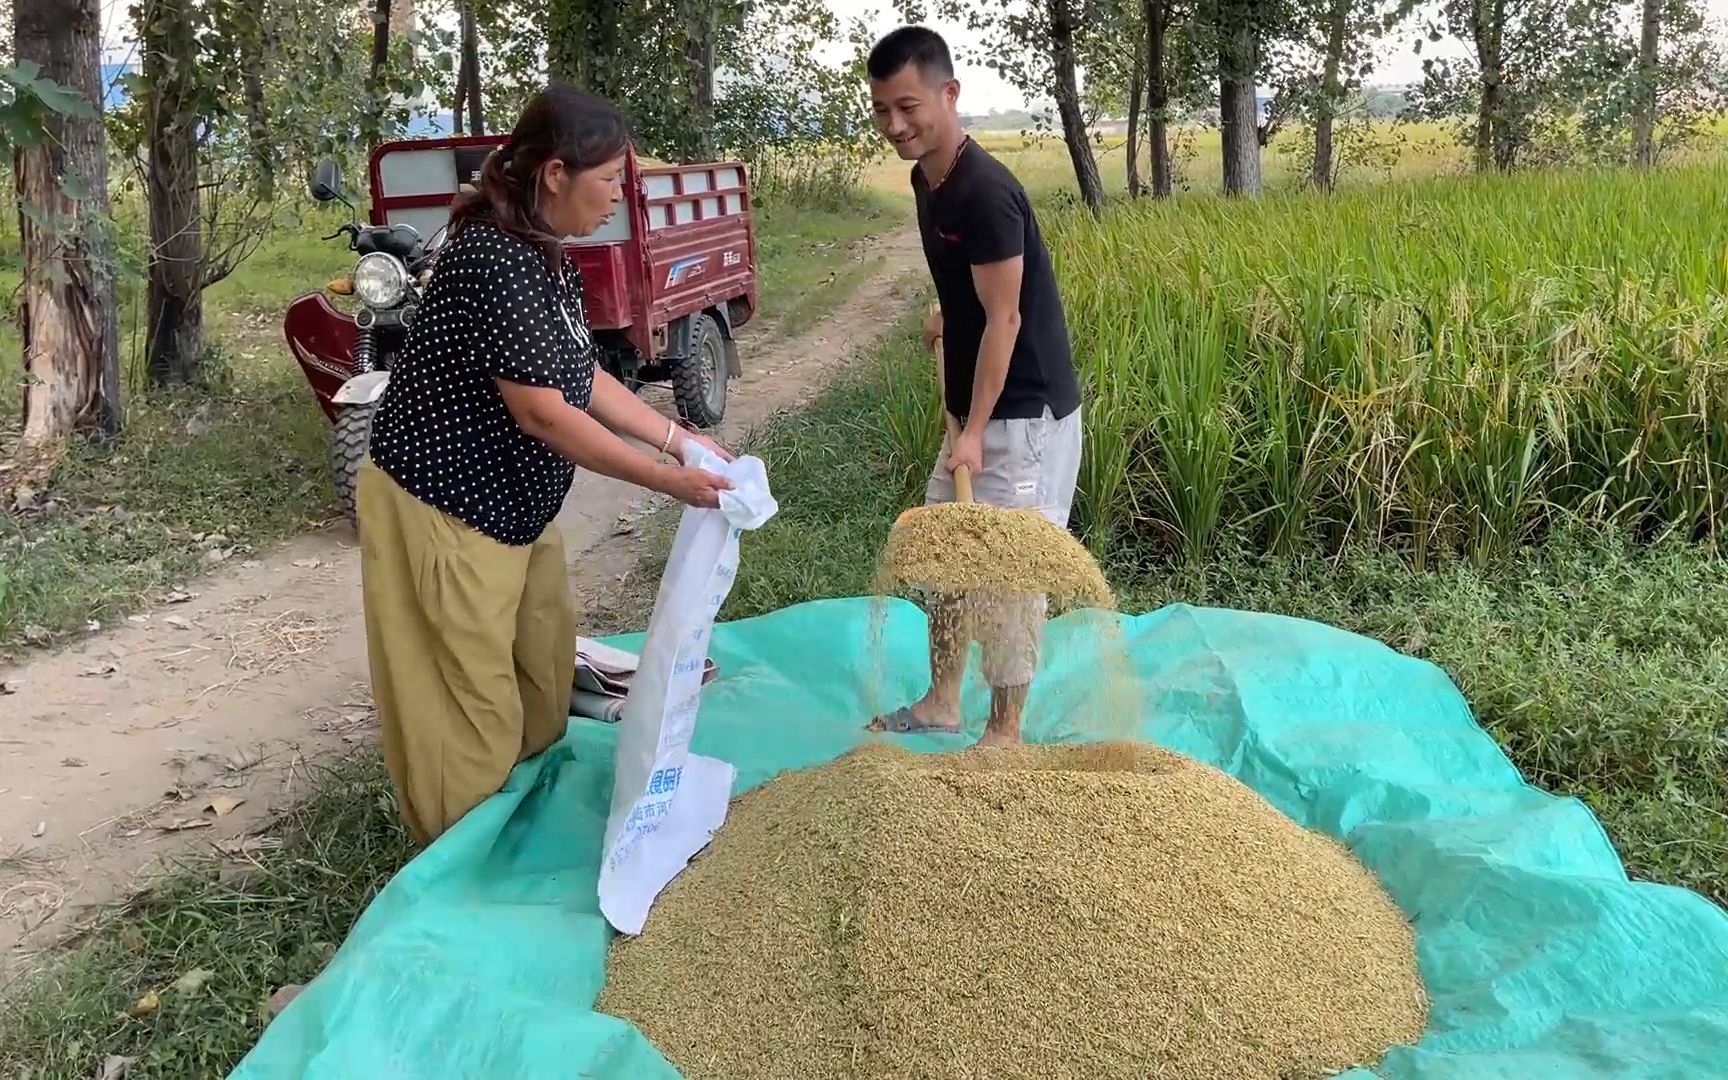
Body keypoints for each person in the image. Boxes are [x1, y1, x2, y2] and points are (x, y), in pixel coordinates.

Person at [357, 84, 734, 846]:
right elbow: (542, 411)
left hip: (514, 511)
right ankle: (461, 862)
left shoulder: (546, 257)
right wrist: (668, 482)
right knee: (467, 705)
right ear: (555, 173)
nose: (616, 201)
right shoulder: (492, 258)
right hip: (447, 506)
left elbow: (581, 376)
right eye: (607, 183)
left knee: (540, 671)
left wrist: (678, 439)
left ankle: (519, 817)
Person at [863, 26, 1084, 749]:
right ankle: (942, 701)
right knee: (947, 559)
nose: (895, 126)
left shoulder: (986, 193)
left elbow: (1007, 317)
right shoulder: (929, 177)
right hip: (975, 412)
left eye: (908, 106)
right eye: (881, 112)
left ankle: (1005, 732)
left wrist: (975, 433)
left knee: (1008, 574)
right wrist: (944, 312)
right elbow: (977, 294)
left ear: (948, 94)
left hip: (1020, 419)